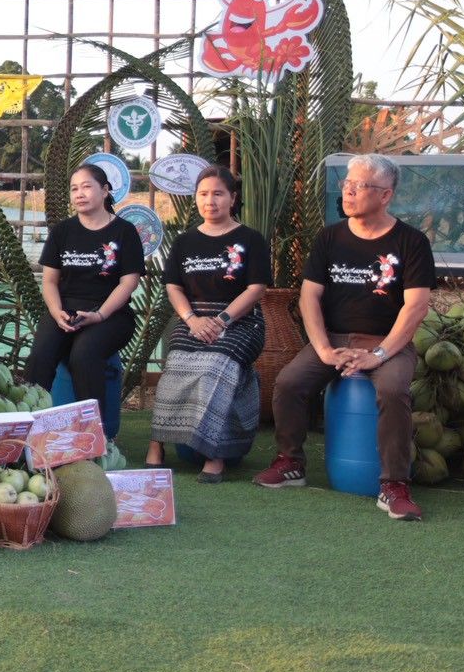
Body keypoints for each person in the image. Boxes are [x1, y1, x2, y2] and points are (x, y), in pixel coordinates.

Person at [253, 153, 435, 521]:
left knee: (392, 389)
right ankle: (291, 462)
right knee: (288, 382)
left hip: (386, 341)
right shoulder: (330, 237)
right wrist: (321, 347)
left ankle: (394, 485)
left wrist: (379, 354)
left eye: (358, 186)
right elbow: (309, 297)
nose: (347, 192)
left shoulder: (411, 242)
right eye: (346, 184)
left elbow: (415, 307)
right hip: (332, 336)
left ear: (385, 195)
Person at [145, 166, 270, 482]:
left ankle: (214, 453)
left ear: (232, 198)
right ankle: (156, 442)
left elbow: (256, 289)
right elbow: (173, 286)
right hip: (193, 317)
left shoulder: (250, 239)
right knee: (176, 362)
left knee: (216, 363)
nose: (210, 201)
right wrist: (191, 319)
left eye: (218, 194)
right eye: (203, 194)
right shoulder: (185, 241)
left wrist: (222, 319)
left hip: (241, 321)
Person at [23, 163, 144, 438]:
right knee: (41, 354)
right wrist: (56, 313)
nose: (79, 193)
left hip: (111, 314)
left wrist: (100, 315)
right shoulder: (63, 231)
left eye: (87, 186)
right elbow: (50, 281)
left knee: (84, 353)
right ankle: (27, 430)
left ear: (104, 191)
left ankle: (94, 437)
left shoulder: (124, 232)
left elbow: (129, 282)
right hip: (65, 310)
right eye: (74, 188)